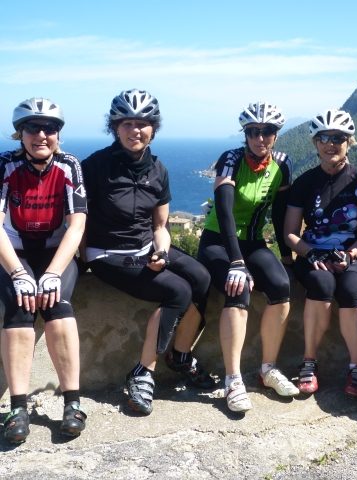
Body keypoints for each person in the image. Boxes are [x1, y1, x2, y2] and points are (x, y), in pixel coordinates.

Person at [81, 89, 214, 416]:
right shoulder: (95, 166)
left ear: (153, 127)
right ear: (115, 127)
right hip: (107, 254)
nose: (134, 130)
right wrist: (78, 259)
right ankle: (143, 372)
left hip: (145, 246)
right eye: (126, 123)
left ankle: (180, 355)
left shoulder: (158, 169)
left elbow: (160, 225)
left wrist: (162, 252)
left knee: (201, 277)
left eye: (142, 123)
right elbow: (76, 219)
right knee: (177, 291)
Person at [197, 101, 299, 413]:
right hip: (218, 241)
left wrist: (287, 257)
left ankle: (268, 369)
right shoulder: (231, 159)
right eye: (253, 131)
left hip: (254, 242)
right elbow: (224, 212)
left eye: (267, 131)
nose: (260, 137)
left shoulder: (282, 164)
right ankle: (232, 379)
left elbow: (279, 214)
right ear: (245, 134)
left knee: (281, 286)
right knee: (238, 287)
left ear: (276, 135)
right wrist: (236, 262)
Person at [0, 98, 87, 443]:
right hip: (15, 253)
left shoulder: (69, 165)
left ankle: (73, 403)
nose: (41, 135)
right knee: (19, 308)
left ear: (58, 134)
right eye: (31, 128)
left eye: (49, 128)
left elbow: (77, 225)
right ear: (19, 133)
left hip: (55, 252)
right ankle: (18, 408)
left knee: (58, 307)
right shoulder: (5, 165)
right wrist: (18, 274)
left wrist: (52, 273)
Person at [284, 108, 357, 397]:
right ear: (315, 142)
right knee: (321, 284)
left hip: (352, 254)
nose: (330, 144)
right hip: (313, 253)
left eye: (338, 138)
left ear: (349, 142)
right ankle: (309, 361)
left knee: (350, 289)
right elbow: (290, 233)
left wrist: (351, 255)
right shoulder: (304, 183)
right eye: (323, 137)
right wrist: (311, 254)